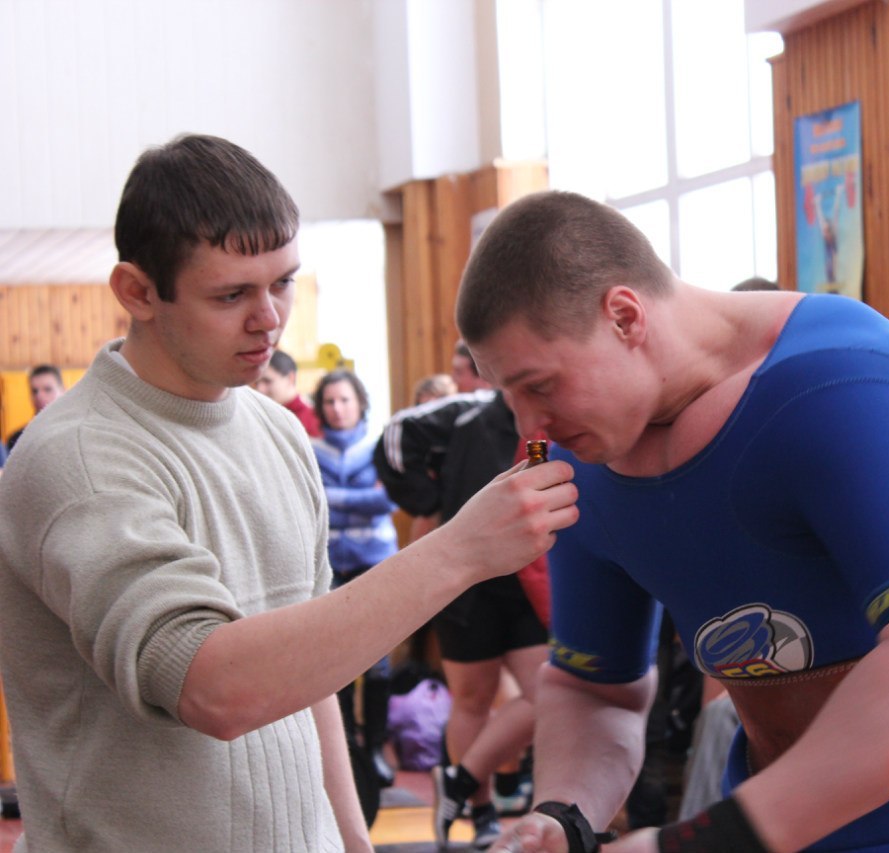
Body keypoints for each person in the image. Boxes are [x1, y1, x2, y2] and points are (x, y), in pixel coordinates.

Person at [456, 189, 889, 853]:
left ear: (624, 316)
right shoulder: (576, 466)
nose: (529, 426)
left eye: (540, 385)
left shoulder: (842, 381)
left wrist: (705, 843)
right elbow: (596, 690)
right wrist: (562, 816)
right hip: (784, 829)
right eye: (508, 395)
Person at [0, 133, 578, 853]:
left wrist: (350, 841)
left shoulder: (276, 430)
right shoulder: (78, 457)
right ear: (138, 292)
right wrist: (458, 551)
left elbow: (312, 678)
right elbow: (212, 687)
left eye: (283, 282)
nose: (270, 318)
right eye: (231, 294)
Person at [375, 389, 549, 849]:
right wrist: (429, 501)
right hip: (468, 587)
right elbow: (393, 436)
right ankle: (480, 807)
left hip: (528, 582)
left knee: (547, 693)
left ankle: (460, 779)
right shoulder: (465, 413)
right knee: (472, 699)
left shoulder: (554, 414)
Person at [312, 368, 402, 788]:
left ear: (360, 403)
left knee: (379, 662)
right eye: (329, 401)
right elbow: (310, 502)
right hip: (329, 567)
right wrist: (358, 500)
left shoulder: (380, 445)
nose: (337, 408)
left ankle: (376, 748)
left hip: (375, 563)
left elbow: (388, 499)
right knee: (337, 664)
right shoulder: (310, 448)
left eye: (345, 400)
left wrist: (335, 498)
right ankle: (348, 751)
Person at [255, 348, 322, 436]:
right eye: (256, 383)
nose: (260, 389)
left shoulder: (312, 421)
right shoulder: (259, 414)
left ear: (290, 378)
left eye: (267, 381)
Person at [5, 363, 65, 451]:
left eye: (47, 389)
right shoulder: (18, 439)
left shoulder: (76, 433)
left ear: (63, 391)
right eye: (34, 391)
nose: (39, 396)